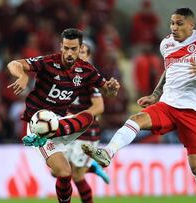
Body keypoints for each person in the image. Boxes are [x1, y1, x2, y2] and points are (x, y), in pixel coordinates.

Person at [81, 8, 196, 203]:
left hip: (193, 110)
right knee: (136, 119)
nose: (174, 27)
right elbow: (169, 70)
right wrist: (155, 94)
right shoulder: (166, 44)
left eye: (179, 23)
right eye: (172, 23)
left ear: (191, 25)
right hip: (167, 104)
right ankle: (107, 153)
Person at [6, 28, 119, 203]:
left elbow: (107, 91)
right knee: (64, 172)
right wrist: (21, 75)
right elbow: (14, 63)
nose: (69, 52)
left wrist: (111, 89)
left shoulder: (86, 70)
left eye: (73, 48)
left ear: (80, 47)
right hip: (38, 123)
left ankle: (73, 152)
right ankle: (41, 137)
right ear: (61, 47)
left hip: (59, 124)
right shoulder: (48, 62)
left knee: (89, 117)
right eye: (66, 48)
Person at [62, 42, 110, 203]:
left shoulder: (89, 77)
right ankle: (93, 167)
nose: (78, 55)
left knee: (76, 175)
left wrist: (76, 118)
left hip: (86, 133)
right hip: (69, 131)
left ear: (88, 57)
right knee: (58, 171)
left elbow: (99, 107)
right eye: (76, 51)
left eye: (83, 52)